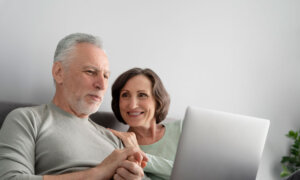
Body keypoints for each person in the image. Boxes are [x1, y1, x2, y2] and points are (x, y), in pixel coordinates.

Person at [0, 33, 148, 180]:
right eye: (90, 72)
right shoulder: (27, 119)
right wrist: (98, 173)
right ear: (59, 72)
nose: (101, 85)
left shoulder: (114, 139)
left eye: (105, 76)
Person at [110, 68, 182, 180]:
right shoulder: (117, 148)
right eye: (125, 95)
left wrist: (139, 154)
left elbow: (199, 171)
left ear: (158, 100)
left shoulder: (183, 129)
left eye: (142, 95)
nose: (132, 105)